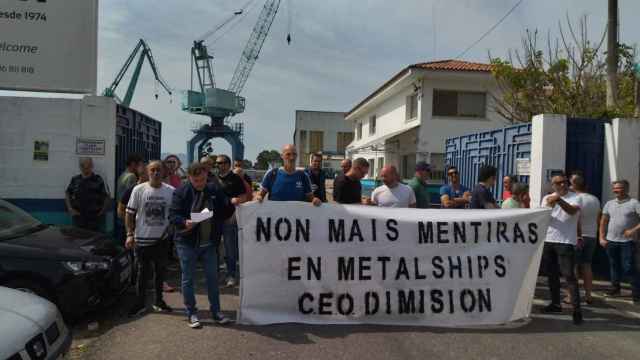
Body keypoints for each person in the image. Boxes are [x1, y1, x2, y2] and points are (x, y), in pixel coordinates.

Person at [169, 163, 235, 328]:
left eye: (203, 180)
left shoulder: (214, 189)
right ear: (189, 178)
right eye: (196, 180)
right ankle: (191, 313)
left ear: (207, 175)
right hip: (186, 242)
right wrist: (185, 222)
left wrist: (229, 204)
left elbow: (225, 209)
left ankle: (216, 312)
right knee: (188, 279)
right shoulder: (181, 192)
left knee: (213, 279)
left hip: (209, 243)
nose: (200, 183)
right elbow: (172, 215)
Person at [125, 161, 175, 317]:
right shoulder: (138, 190)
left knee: (160, 273)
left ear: (164, 172)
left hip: (162, 241)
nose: (155, 173)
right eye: (152, 170)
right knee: (142, 274)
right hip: (142, 241)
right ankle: (139, 303)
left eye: (158, 170)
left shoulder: (171, 191)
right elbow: (129, 214)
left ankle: (159, 301)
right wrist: (129, 234)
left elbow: (175, 214)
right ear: (147, 172)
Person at [540, 173, 583, 325]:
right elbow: (543, 217)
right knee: (552, 275)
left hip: (565, 242)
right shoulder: (547, 198)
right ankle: (555, 304)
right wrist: (550, 204)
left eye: (564, 182)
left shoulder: (576, 197)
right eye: (558, 183)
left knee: (569, 276)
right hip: (549, 240)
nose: (562, 185)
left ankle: (577, 310)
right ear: (553, 185)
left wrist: (559, 200)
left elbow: (572, 211)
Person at [599, 180, 640, 303]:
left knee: (629, 267)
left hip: (628, 242)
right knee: (614, 265)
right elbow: (603, 221)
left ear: (626, 189)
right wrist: (601, 237)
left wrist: (633, 230)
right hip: (611, 240)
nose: (615, 190)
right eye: (614, 188)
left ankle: (637, 294)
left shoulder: (634, 203)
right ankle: (615, 288)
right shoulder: (609, 204)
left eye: (619, 188)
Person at [216, 155, 251, 287]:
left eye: (223, 162)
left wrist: (235, 213)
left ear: (229, 164)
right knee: (214, 250)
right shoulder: (214, 179)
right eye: (218, 163)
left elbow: (243, 197)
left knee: (230, 250)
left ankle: (231, 275)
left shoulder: (236, 178)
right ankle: (216, 275)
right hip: (214, 219)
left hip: (229, 220)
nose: (220, 165)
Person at [256, 144, 322, 205]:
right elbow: (260, 195)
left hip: (297, 216)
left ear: (297, 156)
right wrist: (258, 197)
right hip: (275, 216)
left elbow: (311, 198)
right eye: (288, 154)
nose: (291, 157)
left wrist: (314, 199)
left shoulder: (303, 176)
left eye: (294, 154)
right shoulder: (272, 174)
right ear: (282, 156)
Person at [571, 173, 601, 304]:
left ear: (574, 185)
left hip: (578, 237)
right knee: (587, 266)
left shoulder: (575, 199)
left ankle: (572, 296)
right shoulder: (595, 199)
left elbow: (574, 218)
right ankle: (589, 295)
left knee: (573, 267)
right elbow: (598, 218)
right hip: (592, 236)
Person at [65, 157, 110, 231]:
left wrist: (102, 211)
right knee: (78, 239)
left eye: (88, 165)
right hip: (78, 217)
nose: (85, 167)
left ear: (92, 166)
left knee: (93, 240)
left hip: (94, 218)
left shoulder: (98, 179)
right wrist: (70, 208)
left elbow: (107, 196)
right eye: (83, 165)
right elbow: (67, 193)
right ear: (80, 166)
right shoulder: (75, 180)